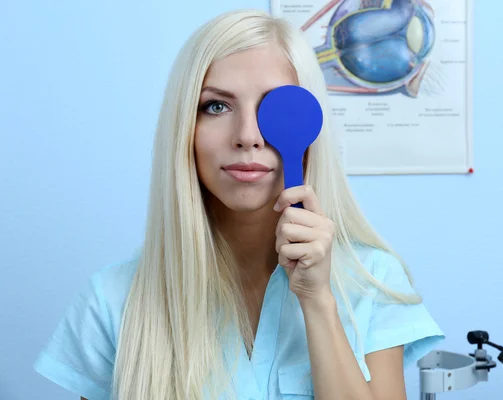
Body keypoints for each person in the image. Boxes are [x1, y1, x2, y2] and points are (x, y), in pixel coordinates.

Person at [33, 8, 444, 400]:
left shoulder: (372, 283)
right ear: (185, 130)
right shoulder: (111, 301)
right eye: (216, 106)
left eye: (271, 107)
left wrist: (318, 302)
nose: (248, 135)